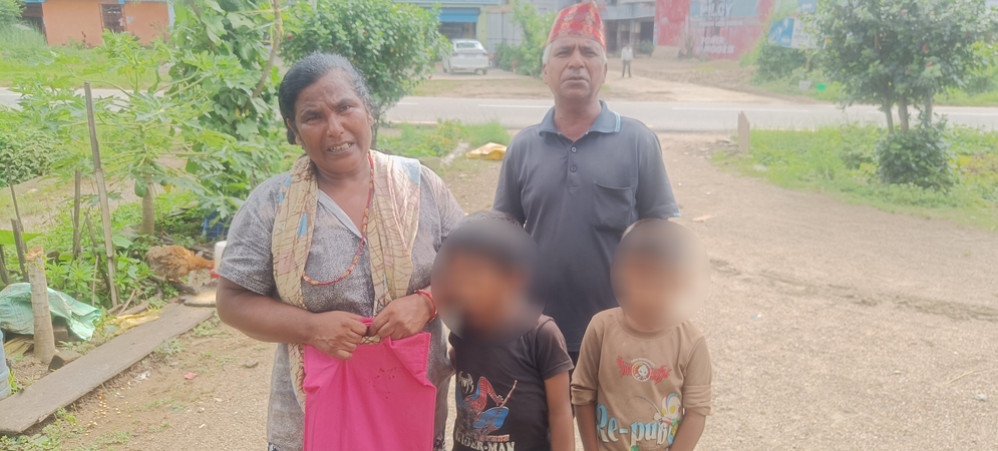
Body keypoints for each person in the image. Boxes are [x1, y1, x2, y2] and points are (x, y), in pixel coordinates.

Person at [215, 53, 464, 451]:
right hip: (312, 422)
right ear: (293, 129)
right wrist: (310, 328)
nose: (334, 128)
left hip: (412, 414)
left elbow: (473, 270)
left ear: (369, 110)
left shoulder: (420, 187)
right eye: (313, 117)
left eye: (346, 107)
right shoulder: (272, 205)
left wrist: (427, 302)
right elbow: (232, 301)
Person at [493, 1, 680, 366]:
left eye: (589, 52)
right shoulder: (523, 147)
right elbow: (503, 237)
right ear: (545, 71)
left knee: (617, 408)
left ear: (604, 70)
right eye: (564, 52)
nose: (576, 62)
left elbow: (659, 237)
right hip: (537, 332)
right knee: (545, 408)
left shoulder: (638, 141)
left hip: (619, 331)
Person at [432, 212, 575, 451]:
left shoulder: (542, 335)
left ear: (514, 278)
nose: (462, 289)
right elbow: (460, 363)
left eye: (473, 278)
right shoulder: (464, 326)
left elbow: (560, 411)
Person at [571, 219, 711, 451]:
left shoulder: (691, 342)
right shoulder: (601, 327)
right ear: (623, 275)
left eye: (661, 280)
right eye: (641, 277)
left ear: (679, 281)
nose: (649, 290)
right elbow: (582, 394)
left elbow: (697, 411)